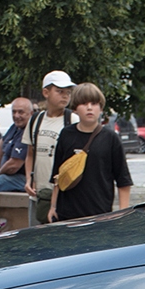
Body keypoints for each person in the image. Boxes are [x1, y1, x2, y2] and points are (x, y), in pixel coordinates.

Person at [49, 83, 132, 223]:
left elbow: (123, 180)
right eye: (83, 103)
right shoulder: (66, 134)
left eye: (94, 103)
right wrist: (53, 206)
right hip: (66, 214)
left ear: (100, 108)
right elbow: (58, 175)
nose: (89, 108)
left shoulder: (110, 138)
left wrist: (122, 214)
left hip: (100, 214)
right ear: (75, 108)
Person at [23, 71, 78, 225]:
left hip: (62, 194)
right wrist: (29, 179)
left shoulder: (72, 119)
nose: (65, 96)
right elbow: (30, 153)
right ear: (46, 92)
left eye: (68, 92)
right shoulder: (36, 119)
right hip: (38, 193)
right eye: (60, 91)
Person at [0, 97, 32, 237]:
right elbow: (2, 144)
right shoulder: (15, 127)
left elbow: (14, 165)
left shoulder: (29, 129)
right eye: (14, 112)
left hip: (24, 177)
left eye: (21, 112)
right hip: (9, 175)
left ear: (30, 113)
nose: (16, 116)